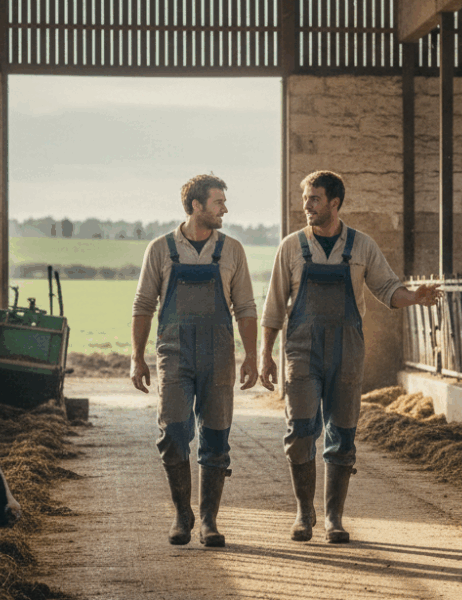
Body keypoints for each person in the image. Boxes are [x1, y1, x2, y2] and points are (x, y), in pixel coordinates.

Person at [259, 170, 440, 544]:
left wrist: (415, 297)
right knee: (300, 431)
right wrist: (265, 356)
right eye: (305, 198)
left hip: (346, 351)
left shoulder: (361, 246)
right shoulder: (291, 247)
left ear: (335, 203)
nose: (306, 205)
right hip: (302, 352)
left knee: (342, 433)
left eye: (314, 198)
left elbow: (388, 288)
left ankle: (334, 518)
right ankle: (303, 513)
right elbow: (274, 306)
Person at [131, 173, 259, 547]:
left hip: (219, 354)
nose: (225, 209)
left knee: (216, 437)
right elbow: (143, 305)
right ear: (195, 206)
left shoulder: (232, 250)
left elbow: (246, 307)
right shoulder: (160, 249)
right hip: (174, 353)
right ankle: (180, 514)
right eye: (218, 202)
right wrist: (137, 358)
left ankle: (209, 521)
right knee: (173, 433)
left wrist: (250, 356)